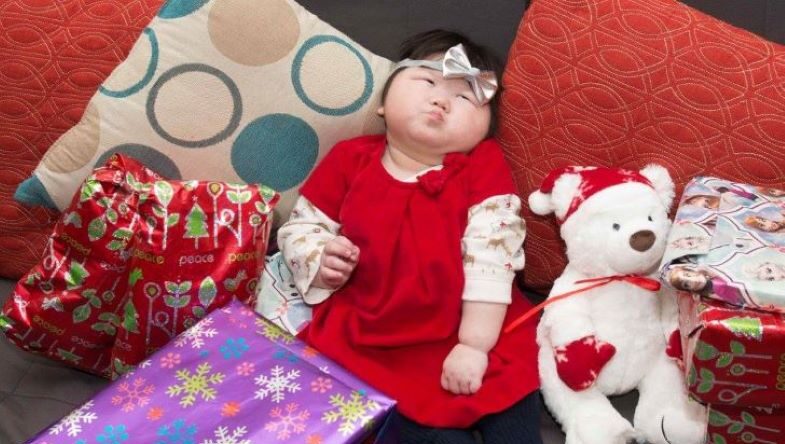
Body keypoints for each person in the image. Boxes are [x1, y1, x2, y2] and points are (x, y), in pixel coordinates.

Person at [278, 30, 542, 444]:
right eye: (428, 82)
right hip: (373, 330)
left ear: (486, 129)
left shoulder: (483, 167)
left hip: (472, 320)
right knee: (410, 424)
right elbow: (301, 226)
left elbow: (493, 252)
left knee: (513, 392)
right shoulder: (350, 159)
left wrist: (474, 344)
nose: (441, 100)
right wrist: (320, 255)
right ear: (383, 103)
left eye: (464, 98)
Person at [666, 264, 745, 306]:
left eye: (688, 274)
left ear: (693, 271)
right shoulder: (713, 289)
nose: (692, 280)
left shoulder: (709, 271)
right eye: (686, 284)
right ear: (690, 290)